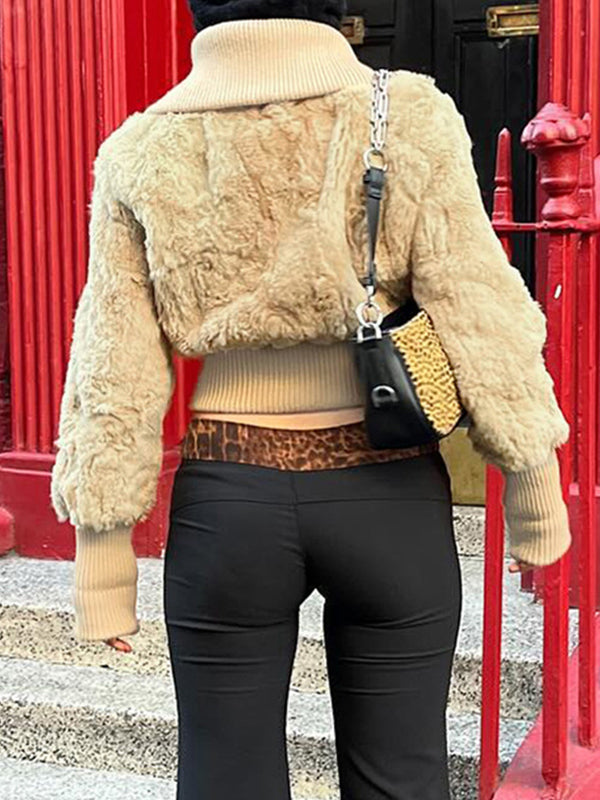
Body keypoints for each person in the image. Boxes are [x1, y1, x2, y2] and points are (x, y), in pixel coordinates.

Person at [49, 2, 572, 798]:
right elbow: (478, 304)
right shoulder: (407, 114)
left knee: (225, 778)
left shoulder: (141, 148)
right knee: (401, 778)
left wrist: (102, 551)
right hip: (387, 489)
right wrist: (533, 485)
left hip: (230, 501)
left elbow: (113, 355)